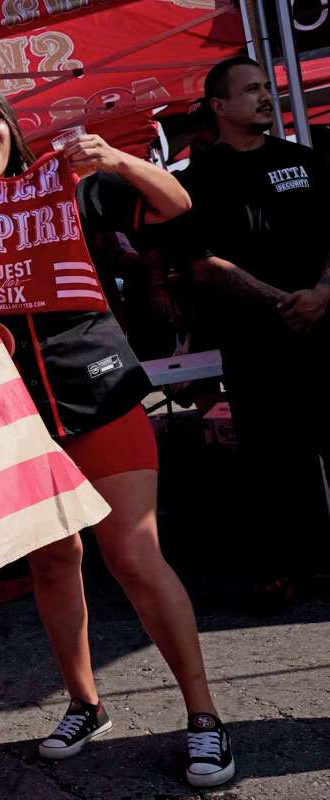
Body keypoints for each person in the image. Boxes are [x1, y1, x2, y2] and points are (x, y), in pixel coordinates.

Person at [0, 76, 235, 789]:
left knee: (136, 558)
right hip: (10, 410)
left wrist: (116, 159)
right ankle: (85, 704)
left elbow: (176, 204)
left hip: (102, 391)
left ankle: (205, 717)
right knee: (53, 563)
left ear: (11, 128)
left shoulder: (71, 183)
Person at [169, 56, 330, 608]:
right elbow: (200, 263)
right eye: (252, 90)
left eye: (268, 88)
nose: (266, 97)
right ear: (219, 106)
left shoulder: (306, 162)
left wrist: (322, 295)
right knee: (276, 458)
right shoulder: (195, 182)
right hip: (256, 343)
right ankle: (289, 567)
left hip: (325, 326)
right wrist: (282, 301)